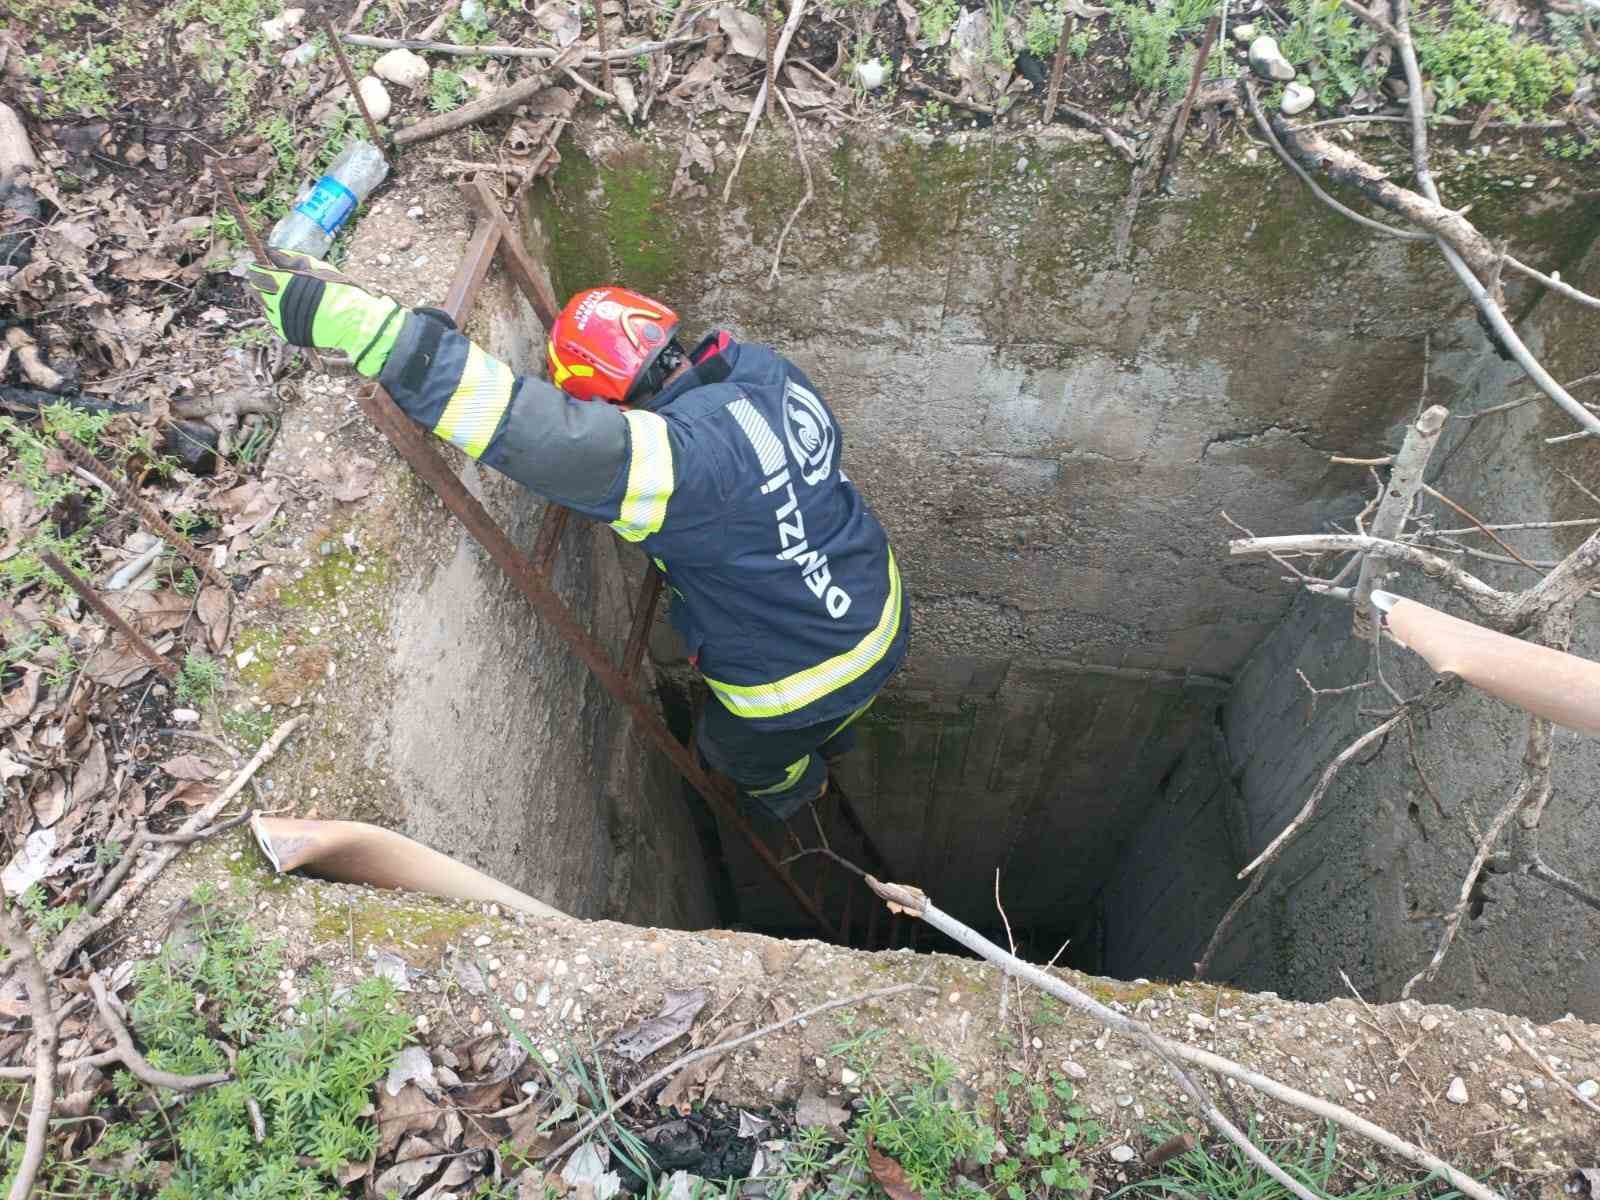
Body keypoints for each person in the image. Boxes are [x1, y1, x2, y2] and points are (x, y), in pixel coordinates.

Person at [247, 254, 909, 820]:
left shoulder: (677, 464)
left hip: (802, 675)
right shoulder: (760, 370)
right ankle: (830, 739)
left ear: (610, 403)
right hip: (879, 602)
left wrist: (388, 339)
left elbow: (532, 431)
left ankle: (799, 791)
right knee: (831, 714)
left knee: (734, 752)